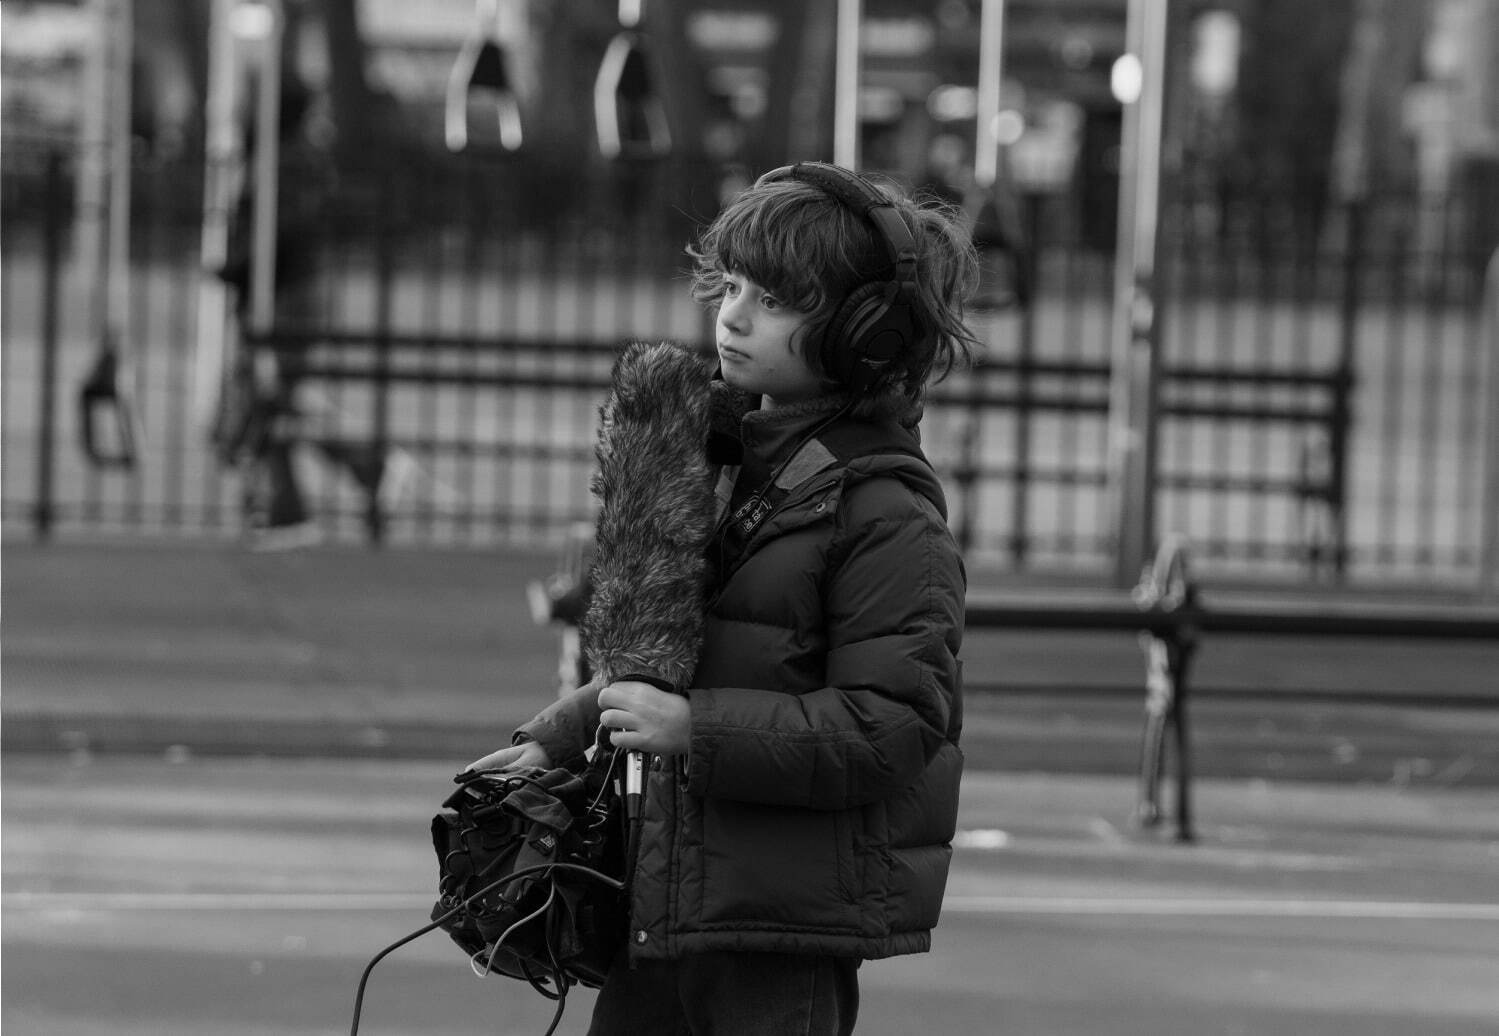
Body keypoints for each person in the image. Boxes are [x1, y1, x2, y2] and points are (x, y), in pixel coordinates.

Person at [466, 161, 980, 1035]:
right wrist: (559, 737)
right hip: (662, 905)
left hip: (775, 931)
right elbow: (682, 661)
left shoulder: (886, 516)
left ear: (865, 335)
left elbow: (889, 726)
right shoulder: (733, 472)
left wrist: (696, 732)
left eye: (772, 300)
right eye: (730, 285)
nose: (731, 316)